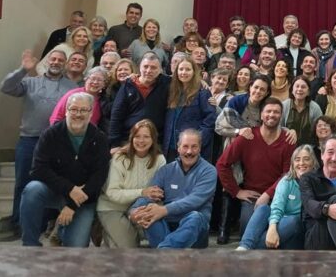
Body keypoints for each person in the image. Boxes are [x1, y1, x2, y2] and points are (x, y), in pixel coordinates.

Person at [20, 92, 111, 247]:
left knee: (76, 248)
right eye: (74, 109)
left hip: (83, 198)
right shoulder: (50, 134)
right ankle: (30, 244)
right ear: (66, 111)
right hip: (54, 191)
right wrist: (70, 189)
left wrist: (72, 205)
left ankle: (61, 230)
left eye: (83, 110)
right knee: (32, 189)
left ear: (91, 113)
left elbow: (99, 177)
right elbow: (38, 169)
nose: (78, 114)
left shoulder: (100, 138)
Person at [0, 49, 76, 235]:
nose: (56, 62)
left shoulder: (71, 87)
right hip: (29, 140)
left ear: (65, 64)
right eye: (53, 59)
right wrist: (23, 69)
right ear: (47, 61)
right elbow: (6, 87)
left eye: (60, 60)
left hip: (56, 143)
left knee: (48, 184)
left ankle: (40, 224)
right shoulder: (31, 82)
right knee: (22, 182)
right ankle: (18, 222)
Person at [216, 98, 295, 239]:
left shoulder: (288, 140)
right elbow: (222, 164)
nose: (272, 115)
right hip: (252, 197)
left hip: (279, 196)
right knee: (247, 232)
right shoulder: (248, 137)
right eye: (268, 111)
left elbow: (287, 173)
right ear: (261, 115)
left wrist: (268, 194)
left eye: (276, 112)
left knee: (284, 231)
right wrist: (236, 191)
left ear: (281, 116)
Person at [129, 129, 216, 248]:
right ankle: (168, 249)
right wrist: (134, 212)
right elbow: (150, 194)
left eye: (194, 147)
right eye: (185, 146)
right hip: (167, 225)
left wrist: (164, 210)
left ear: (200, 148)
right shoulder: (166, 171)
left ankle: (165, 250)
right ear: (178, 148)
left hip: (194, 228)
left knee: (196, 217)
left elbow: (194, 200)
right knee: (148, 211)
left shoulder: (209, 171)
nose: (189, 151)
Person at [97, 119, 166, 247]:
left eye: (146, 137)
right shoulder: (120, 158)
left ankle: (116, 234)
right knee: (130, 248)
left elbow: (158, 192)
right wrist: (142, 192)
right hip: (112, 208)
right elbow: (112, 193)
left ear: (153, 139)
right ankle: (109, 232)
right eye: (137, 136)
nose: (141, 141)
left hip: (138, 207)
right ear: (131, 138)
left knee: (153, 230)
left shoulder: (159, 160)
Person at [236, 144, 319, 250]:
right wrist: (272, 228)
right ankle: (244, 247)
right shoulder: (287, 181)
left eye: (306, 159)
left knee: (294, 220)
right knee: (263, 208)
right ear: (293, 164)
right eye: (297, 160)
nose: (301, 163)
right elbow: (276, 207)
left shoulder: (318, 182)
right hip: (281, 227)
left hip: (298, 232)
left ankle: (250, 248)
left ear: (313, 163)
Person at [109, 52, 171, 148]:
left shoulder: (167, 84)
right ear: (139, 68)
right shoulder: (128, 85)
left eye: (153, 68)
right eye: (145, 66)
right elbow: (117, 115)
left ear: (160, 70)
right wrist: (114, 144)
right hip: (129, 139)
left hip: (156, 141)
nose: (148, 70)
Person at [164, 59, 215, 161]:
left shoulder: (202, 91)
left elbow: (210, 119)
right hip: (170, 145)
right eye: (181, 69)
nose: (183, 72)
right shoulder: (171, 90)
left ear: (194, 72)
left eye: (188, 69)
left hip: (190, 148)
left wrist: (199, 140)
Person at [281, 75, 323, 146]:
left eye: (303, 87)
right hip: (286, 146)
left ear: (308, 91)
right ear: (292, 90)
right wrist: (287, 131)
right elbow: (277, 128)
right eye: (297, 86)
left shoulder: (315, 108)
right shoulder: (284, 106)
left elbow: (320, 129)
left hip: (309, 147)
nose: (299, 89)